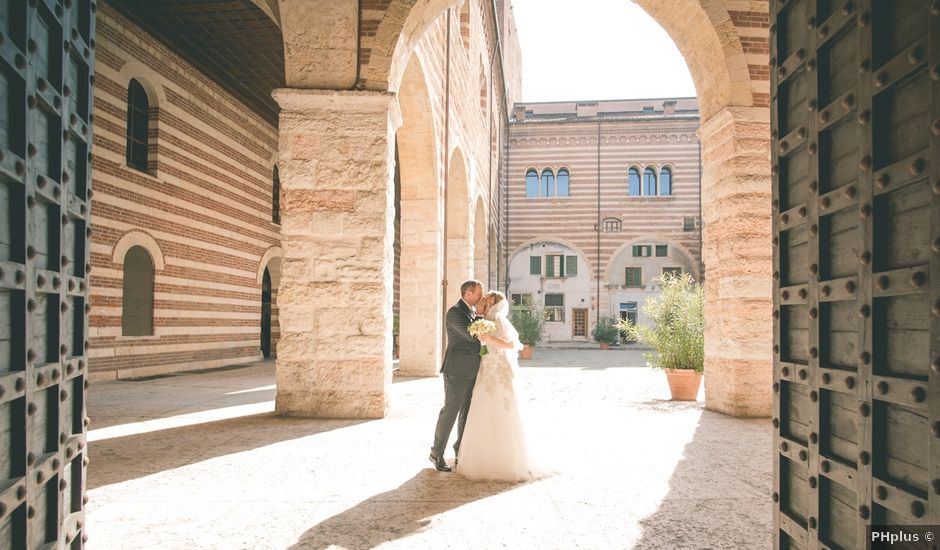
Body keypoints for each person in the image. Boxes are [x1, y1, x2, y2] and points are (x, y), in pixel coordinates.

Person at [456, 291, 546, 481]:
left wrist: (488, 340)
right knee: (483, 406)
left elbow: (511, 344)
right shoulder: (486, 318)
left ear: (492, 303)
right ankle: (482, 458)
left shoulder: (497, 318)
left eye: (486, 298)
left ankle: (506, 461)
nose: (483, 299)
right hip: (487, 367)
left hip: (498, 369)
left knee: (501, 406)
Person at [429, 279, 485, 472]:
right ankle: (436, 453)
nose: (482, 296)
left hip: (472, 370)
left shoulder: (470, 311)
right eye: (479, 293)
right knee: (450, 413)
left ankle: (460, 450)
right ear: (467, 294)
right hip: (456, 371)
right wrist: (484, 323)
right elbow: (470, 335)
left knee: (466, 415)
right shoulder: (454, 312)